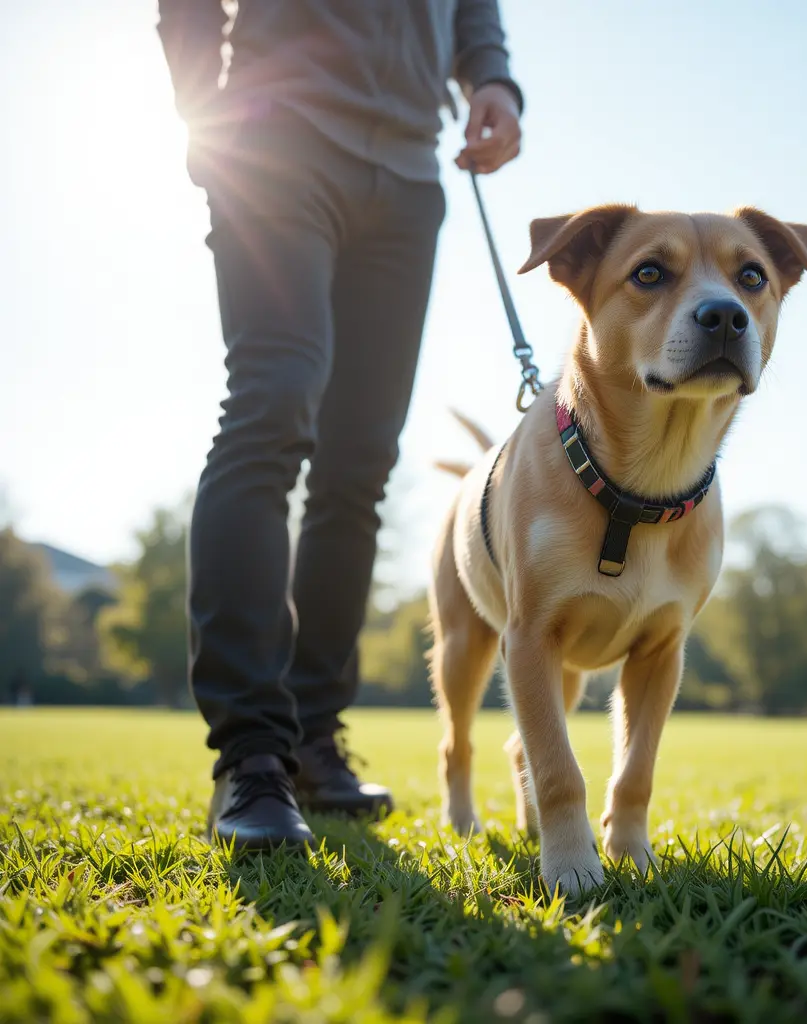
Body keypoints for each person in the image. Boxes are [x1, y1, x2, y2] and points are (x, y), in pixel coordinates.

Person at [156, 1, 523, 849]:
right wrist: (201, 103)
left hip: (406, 171)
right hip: (275, 133)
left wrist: (492, 77)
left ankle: (316, 737)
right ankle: (251, 754)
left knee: (360, 462)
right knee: (271, 407)